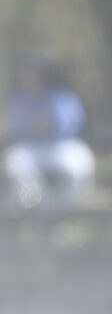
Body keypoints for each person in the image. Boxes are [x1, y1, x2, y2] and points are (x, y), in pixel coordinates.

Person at [3, 58, 95, 210]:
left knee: (80, 163)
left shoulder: (62, 96)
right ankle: (38, 205)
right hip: (31, 148)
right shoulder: (19, 98)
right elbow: (14, 126)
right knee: (14, 160)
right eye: (26, 73)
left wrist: (49, 122)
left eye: (34, 73)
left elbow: (73, 122)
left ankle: (68, 207)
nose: (29, 77)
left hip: (63, 146)